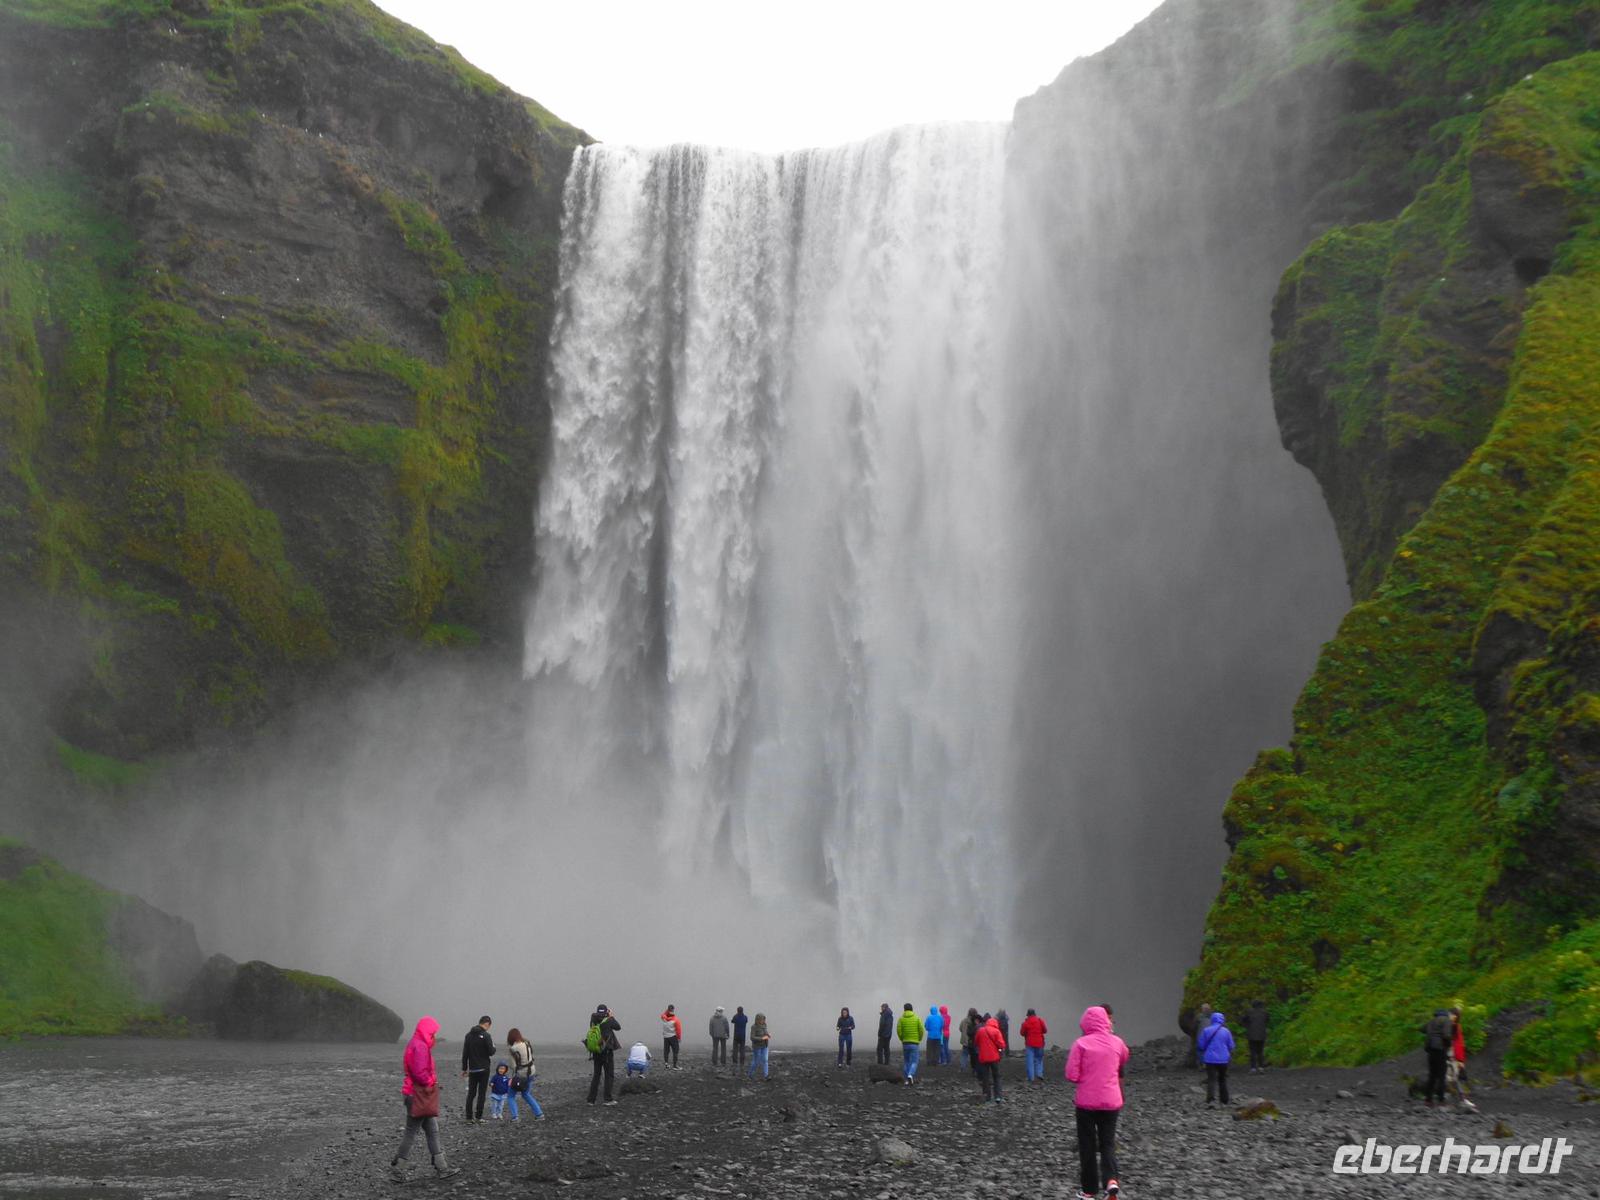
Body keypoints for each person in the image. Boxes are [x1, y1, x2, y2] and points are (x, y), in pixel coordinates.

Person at [1066, 1006, 1128, 1200]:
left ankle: (1089, 1191)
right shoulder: (1117, 1043)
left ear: (1085, 1023)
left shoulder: (1080, 1044)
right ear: (1106, 1022)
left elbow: (1071, 1075)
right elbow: (1123, 1058)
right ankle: (1111, 1180)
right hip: (1111, 1103)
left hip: (1086, 1104)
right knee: (1108, 1143)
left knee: (1087, 1146)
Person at [389, 1015, 458, 1181]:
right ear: (427, 1032)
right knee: (412, 1132)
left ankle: (441, 1167)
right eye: (433, 1033)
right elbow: (420, 1073)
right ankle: (398, 1169)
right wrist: (431, 1082)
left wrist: (430, 1082)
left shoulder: (415, 1044)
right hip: (419, 1095)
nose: (434, 1036)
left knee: (431, 1130)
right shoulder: (420, 1047)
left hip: (414, 1094)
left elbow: (416, 1070)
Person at [586, 1004, 622, 1106]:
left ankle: (591, 1100)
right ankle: (608, 1099)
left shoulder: (593, 1019)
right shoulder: (608, 1020)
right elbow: (618, 1027)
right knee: (609, 1075)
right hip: (606, 1051)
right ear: (606, 1011)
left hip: (596, 1051)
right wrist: (611, 1016)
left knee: (596, 1075)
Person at [460, 1015, 494, 1122]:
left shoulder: (468, 1035)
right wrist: (494, 1046)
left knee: (471, 1093)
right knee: (481, 1094)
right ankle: (479, 1117)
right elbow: (491, 1052)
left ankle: (469, 1117)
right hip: (484, 1069)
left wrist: (464, 1068)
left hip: (473, 1069)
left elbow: (465, 1053)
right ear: (487, 1024)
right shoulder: (486, 1035)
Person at [1198, 1011, 1235, 1107]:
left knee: (1211, 1079)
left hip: (1210, 1059)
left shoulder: (1206, 1030)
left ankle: (1210, 1099)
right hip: (1223, 1059)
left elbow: (1201, 1045)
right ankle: (1224, 1100)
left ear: (1212, 1020)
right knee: (1222, 1079)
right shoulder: (1226, 1031)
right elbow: (1231, 1045)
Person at [506, 1028, 543, 1121]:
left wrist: (512, 1078)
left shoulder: (513, 1049)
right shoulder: (527, 1044)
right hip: (531, 1072)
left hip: (521, 1074)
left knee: (510, 1096)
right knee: (526, 1093)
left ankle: (515, 1117)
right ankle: (539, 1114)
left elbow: (513, 1066)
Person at [1447, 1007, 1478, 1112]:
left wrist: (1460, 1060)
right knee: (1450, 1078)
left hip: (1452, 1056)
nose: (1448, 1016)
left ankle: (1460, 1100)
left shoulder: (1455, 1027)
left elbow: (1459, 1044)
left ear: (1455, 1016)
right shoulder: (1450, 1026)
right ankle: (1457, 1100)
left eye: (1450, 1014)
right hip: (1449, 1056)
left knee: (1454, 1078)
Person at [1421, 1008, 1452, 1106]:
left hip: (1430, 1049)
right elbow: (1446, 1035)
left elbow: (1422, 1029)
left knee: (1432, 1075)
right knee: (1442, 1075)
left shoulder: (1431, 1021)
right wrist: (1449, 1045)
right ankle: (1441, 1099)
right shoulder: (1446, 1020)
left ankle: (1428, 1099)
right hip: (1440, 1049)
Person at [975, 1013, 1006, 1102]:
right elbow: (1002, 1044)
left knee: (985, 1077)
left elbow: (976, 1042)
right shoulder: (996, 1031)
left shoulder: (980, 1031)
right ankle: (998, 1096)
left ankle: (987, 1096)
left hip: (983, 1057)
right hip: (994, 1058)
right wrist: (999, 1050)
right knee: (996, 1076)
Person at [896, 1002, 924, 1085]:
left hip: (905, 1043)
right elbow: (921, 1030)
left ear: (904, 1009)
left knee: (907, 1061)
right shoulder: (917, 1018)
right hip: (914, 1043)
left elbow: (898, 1030)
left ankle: (906, 1080)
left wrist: (902, 1038)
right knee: (914, 1061)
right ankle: (910, 1075)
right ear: (912, 1009)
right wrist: (919, 1039)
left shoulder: (901, 1019)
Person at [1020, 1008, 1048, 1082]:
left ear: (1028, 1015)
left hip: (1029, 1044)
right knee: (1039, 1059)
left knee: (1030, 1061)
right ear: (1035, 1014)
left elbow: (1022, 1033)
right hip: (1040, 1043)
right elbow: (1045, 1030)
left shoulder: (1025, 1023)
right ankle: (1039, 1074)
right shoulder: (1040, 1020)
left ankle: (1031, 1078)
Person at [1245, 1000, 1269, 1073]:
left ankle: (1253, 1068)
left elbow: (1244, 1020)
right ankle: (1261, 1067)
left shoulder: (1249, 1012)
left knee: (1252, 1051)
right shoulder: (1264, 1012)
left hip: (1251, 1034)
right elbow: (1267, 1020)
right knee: (1260, 1051)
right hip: (1261, 1034)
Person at [748, 1012, 772, 1080]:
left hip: (765, 1045)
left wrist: (768, 1035)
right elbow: (752, 1037)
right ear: (758, 1019)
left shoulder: (764, 1025)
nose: (763, 1021)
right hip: (757, 1047)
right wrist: (761, 1038)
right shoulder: (754, 1027)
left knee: (765, 1060)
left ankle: (766, 1076)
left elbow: (765, 1032)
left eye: (764, 1019)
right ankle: (750, 1074)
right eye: (762, 1019)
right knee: (756, 1061)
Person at [660, 1004, 683, 1068]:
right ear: (673, 1011)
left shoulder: (664, 1018)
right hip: (673, 1037)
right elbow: (678, 1030)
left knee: (666, 1051)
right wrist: (679, 1038)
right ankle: (675, 1066)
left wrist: (668, 1010)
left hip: (666, 1037)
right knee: (675, 1051)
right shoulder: (676, 1020)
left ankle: (666, 1064)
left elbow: (663, 1014)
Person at [1192, 1002, 1213, 1069]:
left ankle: (1204, 1063)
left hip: (1201, 1036)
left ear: (1203, 1009)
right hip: (1211, 1036)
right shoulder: (1213, 1016)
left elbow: (1194, 1026)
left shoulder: (1199, 1016)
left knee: (1199, 1050)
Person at [961, 1008, 981, 1073]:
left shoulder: (964, 1020)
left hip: (964, 1040)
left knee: (964, 1054)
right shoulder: (975, 1021)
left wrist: (964, 1032)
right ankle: (974, 1069)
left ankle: (963, 1067)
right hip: (972, 1041)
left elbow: (960, 1028)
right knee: (974, 1056)